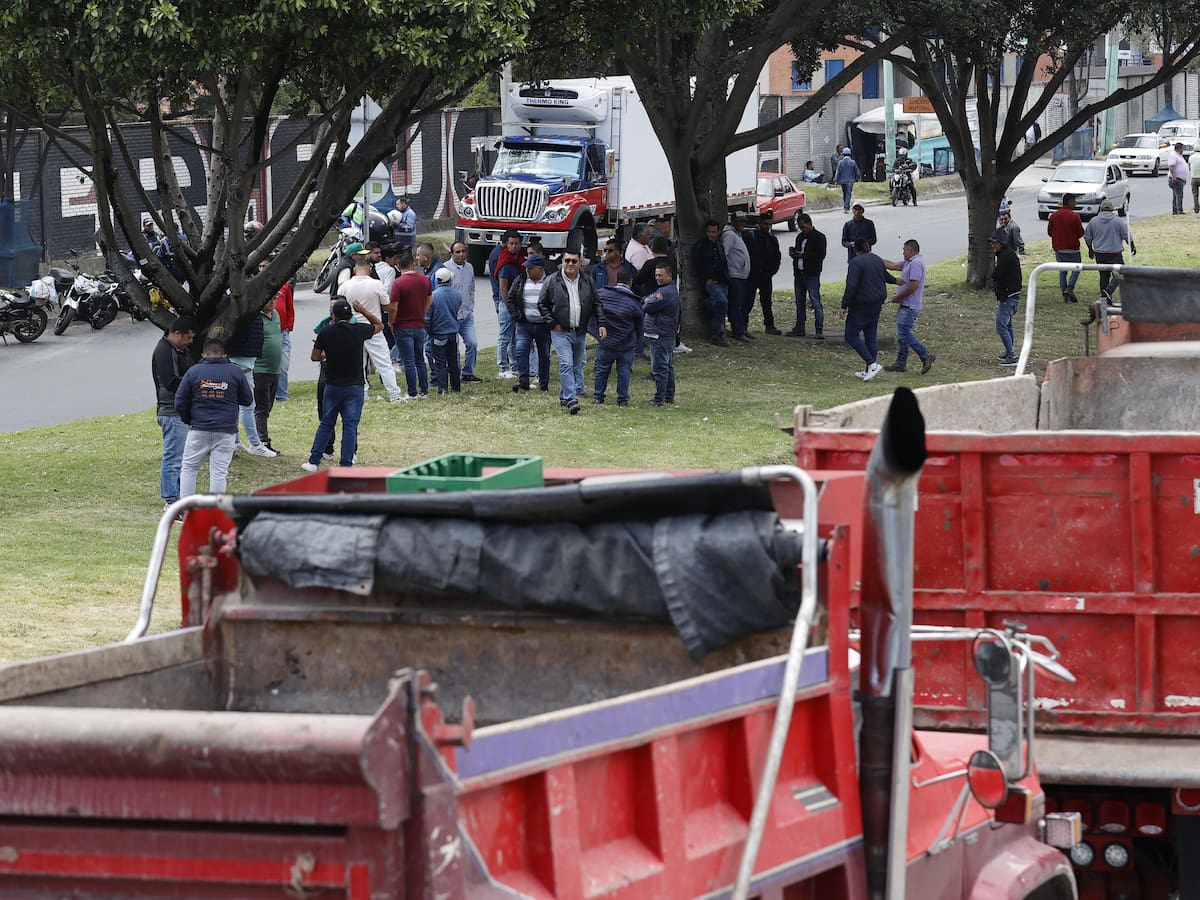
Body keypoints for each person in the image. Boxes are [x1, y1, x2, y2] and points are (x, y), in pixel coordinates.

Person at [302, 298, 383, 471]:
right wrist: (364, 311)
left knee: (326, 423)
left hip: (333, 385)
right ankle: (346, 464)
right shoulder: (359, 330)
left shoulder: (326, 332)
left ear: (334, 316)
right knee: (350, 426)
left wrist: (326, 354)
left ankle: (313, 461)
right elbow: (379, 325)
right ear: (350, 314)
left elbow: (315, 357)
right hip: (355, 386)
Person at [175, 337, 253, 496]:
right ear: (225, 355)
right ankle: (214, 512)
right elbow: (247, 400)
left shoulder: (194, 371)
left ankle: (186, 510)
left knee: (189, 468)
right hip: (226, 430)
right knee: (219, 472)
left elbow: (180, 402)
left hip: (198, 428)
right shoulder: (235, 372)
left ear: (204, 355)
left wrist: (189, 420)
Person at [538, 248, 606, 414]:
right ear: (562, 262)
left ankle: (564, 395)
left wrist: (601, 323)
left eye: (573, 261)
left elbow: (597, 303)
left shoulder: (587, 281)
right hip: (561, 331)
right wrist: (553, 323)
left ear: (579, 263)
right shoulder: (552, 280)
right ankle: (570, 398)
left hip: (580, 331)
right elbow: (542, 304)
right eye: (566, 260)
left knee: (577, 366)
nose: (569, 264)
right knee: (566, 364)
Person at [341, 256, 406, 403]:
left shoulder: (344, 286)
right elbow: (386, 306)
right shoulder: (376, 284)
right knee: (384, 364)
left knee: (358, 364)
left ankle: (362, 395)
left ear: (354, 270)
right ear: (370, 270)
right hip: (373, 328)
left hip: (352, 328)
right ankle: (394, 395)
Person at [151, 315, 196, 508]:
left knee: (180, 456)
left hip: (180, 411)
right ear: (177, 334)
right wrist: (195, 385)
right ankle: (171, 500)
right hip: (171, 412)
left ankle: (177, 495)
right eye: (188, 338)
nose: (191, 342)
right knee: (174, 457)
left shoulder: (180, 350)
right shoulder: (164, 351)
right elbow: (170, 382)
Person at [225, 305, 278, 457]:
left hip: (241, 363)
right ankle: (255, 444)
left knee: (234, 406)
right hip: (241, 366)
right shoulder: (248, 315)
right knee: (248, 406)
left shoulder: (242, 313)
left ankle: (235, 441)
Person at [881, 239, 935, 375]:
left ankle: (925, 355)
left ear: (911, 249)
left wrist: (899, 297)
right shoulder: (909, 262)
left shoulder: (916, 263)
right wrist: (873, 258)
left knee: (903, 333)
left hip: (910, 305)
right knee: (902, 335)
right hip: (905, 305)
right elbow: (892, 265)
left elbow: (914, 284)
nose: (902, 252)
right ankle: (901, 363)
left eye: (904, 249)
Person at [839, 239, 889, 381]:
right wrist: (897, 280)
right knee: (870, 336)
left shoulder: (856, 263)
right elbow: (886, 276)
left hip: (861, 304)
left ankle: (872, 364)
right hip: (876, 302)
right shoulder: (876, 259)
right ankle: (869, 371)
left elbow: (851, 286)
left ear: (855, 248)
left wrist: (844, 305)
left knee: (850, 335)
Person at [593, 268, 644, 406]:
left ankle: (598, 397)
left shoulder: (602, 294)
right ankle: (622, 399)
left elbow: (593, 310)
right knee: (624, 371)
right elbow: (640, 324)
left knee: (602, 370)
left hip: (606, 340)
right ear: (631, 282)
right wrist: (637, 339)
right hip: (626, 343)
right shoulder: (634, 302)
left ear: (616, 280)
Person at [388, 251, 432, 398]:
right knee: (420, 359)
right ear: (413, 265)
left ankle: (412, 392)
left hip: (403, 325)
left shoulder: (398, 283)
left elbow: (393, 307)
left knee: (408, 361)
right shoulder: (425, 280)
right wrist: (421, 312)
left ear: (399, 267)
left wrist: (391, 322)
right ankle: (424, 390)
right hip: (419, 324)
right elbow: (429, 300)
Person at [507, 254, 552, 393]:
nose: (527, 271)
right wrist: (516, 316)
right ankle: (523, 382)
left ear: (540, 269)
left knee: (544, 355)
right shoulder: (520, 280)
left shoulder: (550, 281)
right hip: (524, 324)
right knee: (521, 352)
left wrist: (551, 319)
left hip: (543, 326)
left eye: (530, 268)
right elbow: (510, 298)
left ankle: (544, 384)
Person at [1083, 198, 1136, 303]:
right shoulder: (1118, 221)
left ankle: (1104, 298)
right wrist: (1132, 245)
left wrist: (1090, 249)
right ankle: (1109, 290)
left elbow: (1087, 237)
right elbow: (1126, 235)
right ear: (1112, 210)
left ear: (1101, 209)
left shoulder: (1093, 221)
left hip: (1100, 254)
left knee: (1103, 276)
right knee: (1121, 273)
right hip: (1115, 254)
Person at [643, 260, 680, 407]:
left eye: (661, 275)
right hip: (667, 333)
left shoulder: (664, 293)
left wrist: (648, 300)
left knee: (660, 368)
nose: (658, 278)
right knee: (668, 366)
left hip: (660, 334)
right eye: (656, 275)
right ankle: (669, 395)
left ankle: (659, 398)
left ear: (670, 275)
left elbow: (648, 306)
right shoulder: (669, 290)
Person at [443, 241, 481, 382]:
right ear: (452, 253)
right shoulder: (445, 268)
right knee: (454, 347)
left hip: (466, 314)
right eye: (457, 252)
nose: (460, 254)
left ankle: (468, 373)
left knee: (472, 343)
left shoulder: (470, 267)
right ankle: (456, 374)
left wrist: (471, 306)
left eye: (463, 251)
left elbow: (471, 288)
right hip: (452, 315)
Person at [252, 294, 284, 451]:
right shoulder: (255, 318)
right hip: (260, 369)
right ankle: (262, 441)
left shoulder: (276, 315)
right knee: (261, 407)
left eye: (275, 299)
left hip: (275, 369)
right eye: (269, 298)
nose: (272, 301)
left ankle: (261, 437)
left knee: (268, 406)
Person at [787, 213, 826, 339]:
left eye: (804, 227)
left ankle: (819, 328)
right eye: (800, 227)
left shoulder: (819, 237)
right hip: (799, 273)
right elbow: (798, 251)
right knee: (799, 302)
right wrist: (794, 253)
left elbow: (819, 255)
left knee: (815, 301)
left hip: (812, 274)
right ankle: (800, 327)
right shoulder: (800, 237)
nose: (802, 229)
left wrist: (803, 255)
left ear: (810, 224)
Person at [691, 219, 729, 346]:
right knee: (722, 302)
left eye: (714, 232)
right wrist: (705, 278)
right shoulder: (701, 245)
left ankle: (716, 334)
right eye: (709, 232)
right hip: (710, 281)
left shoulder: (719, 245)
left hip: (722, 280)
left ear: (718, 232)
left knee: (722, 306)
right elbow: (696, 264)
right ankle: (715, 330)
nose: (711, 234)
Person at [490, 233, 521, 378]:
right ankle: (502, 367)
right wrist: (509, 306)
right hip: (506, 305)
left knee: (514, 337)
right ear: (506, 245)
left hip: (516, 304)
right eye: (511, 243)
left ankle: (514, 366)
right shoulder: (505, 263)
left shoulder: (519, 261)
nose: (514, 246)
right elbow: (503, 289)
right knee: (504, 337)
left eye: (517, 243)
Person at [426, 267, 462, 394]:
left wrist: (429, 331)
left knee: (440, 363)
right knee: (453, 361)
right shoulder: (457, 295)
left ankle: (443, 389)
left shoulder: (433, 296)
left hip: (438, 334)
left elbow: (427, 318)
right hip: (452, 332)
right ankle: (456, 388)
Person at [989, 229, 1022, 367]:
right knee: (1008, 325)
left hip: (1008, 295)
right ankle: (1010, 352)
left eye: (995, 243)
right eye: (992, 243)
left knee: (1001, 326)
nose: (993, 245)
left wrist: (993, 274)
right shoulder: (1006, 254)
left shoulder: (1005, 256)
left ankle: (1012, 355)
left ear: (1001, 243)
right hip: (1012, 294)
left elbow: (998, 273)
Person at [745, 211, 782, 334]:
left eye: (769, 224)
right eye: (765, 224)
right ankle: (743, 325)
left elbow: (777, 256)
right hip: (752, 275)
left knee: (767, 301)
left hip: (766, 275)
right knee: (748, 300)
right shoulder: (751, 237)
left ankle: (769, 325)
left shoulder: (772, 239)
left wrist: (773, 270)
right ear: (759, 224)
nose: (768, 227)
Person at [720, 212, 753, 341]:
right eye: (740, 221)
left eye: (744, 221)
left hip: (740, 275)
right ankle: (737, 331)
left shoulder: (737, 235)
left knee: (740, 303)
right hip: (734, 275)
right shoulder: (729, 235)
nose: (743, 223)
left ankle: (741, 328)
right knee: (735, 304)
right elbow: (724, 255)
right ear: (733, 221)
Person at [1047, 193, 1085, 303]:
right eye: (1074, 201)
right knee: (1076, 269)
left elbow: (1050, 232)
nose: (1076, 203)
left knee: (1062, 271)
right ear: (1069, 202)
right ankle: (1070, 288)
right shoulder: (1075, 216)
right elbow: (1080, 233)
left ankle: (1064, 291)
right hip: (1073, 248)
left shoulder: (1054, 216)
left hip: (1059, 248)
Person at [272, 270, 295, 402]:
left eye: (266, 266)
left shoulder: (285, 286)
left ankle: (282, 395)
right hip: (267, 332)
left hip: (282, 331)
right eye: (261, 266)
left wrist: (288, 326)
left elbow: (290, 307)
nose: (263, 269)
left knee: (283, 365)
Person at [835, 147, 862, 213]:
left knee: (844, 194)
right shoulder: (852, 162)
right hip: (850, 181)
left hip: (842, 181)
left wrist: (836, 180)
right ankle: (846, 208)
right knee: (848, 194)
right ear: (850, 154)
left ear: (843, 154)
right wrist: (858, 178)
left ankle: (845, 206)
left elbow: (838, 172)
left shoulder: (840, 162)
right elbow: (857, 171)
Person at [1168, 142, 1189, 215]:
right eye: (1183, 148)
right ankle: (1179, 210)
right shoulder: (1173, 155)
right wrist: (1174, 176)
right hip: (1175, 178)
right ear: (1179, 148)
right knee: (1179, 195)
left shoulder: (1179, 155)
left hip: (1180, 179)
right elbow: (1171, 166)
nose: (1183, 150)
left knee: (1176, 195)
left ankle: (1175, 210)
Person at [1190, 149, 1200, 214]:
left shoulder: (1191, 157)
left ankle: (1196, 208)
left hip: (1194, 177)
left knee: (1195, 194)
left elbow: (1189, 167)